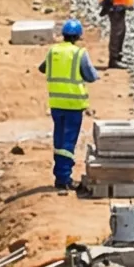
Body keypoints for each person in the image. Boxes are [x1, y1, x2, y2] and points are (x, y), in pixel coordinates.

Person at [38, 19, 98, 190]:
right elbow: (91, 76)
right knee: (68, 142)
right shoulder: (79, 54)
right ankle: (64, 178)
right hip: (73, 104)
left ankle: (60, 175)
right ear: (78, 36)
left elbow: (42, 69)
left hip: (56, 103)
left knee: (59, 139)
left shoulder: (53, 51)